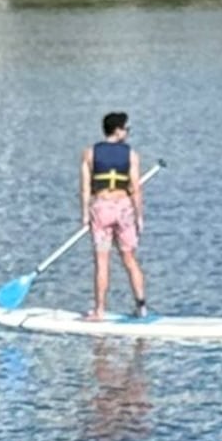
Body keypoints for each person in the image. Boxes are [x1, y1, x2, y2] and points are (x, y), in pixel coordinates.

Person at [79, 112, 148, 322]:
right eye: (126, 129)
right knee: (129, 259)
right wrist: (139, 216)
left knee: (102, 261)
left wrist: (84, 215)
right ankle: (141, 306)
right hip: (124, 209)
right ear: (117, 130)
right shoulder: (131, 155)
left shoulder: (89, 153)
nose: (127, 132)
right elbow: (135, 188)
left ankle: (99, 310)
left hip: (101, 209)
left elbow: (85, 188)